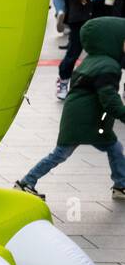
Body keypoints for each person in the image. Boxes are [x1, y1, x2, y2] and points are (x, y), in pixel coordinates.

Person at [16, 16, 125, 202]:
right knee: (60, 154)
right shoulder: (107, 66)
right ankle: (26, 182)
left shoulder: (94, 61)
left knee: (113, 147)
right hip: (82, 121)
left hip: (87, 119)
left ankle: (121, 185)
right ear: (111, 39)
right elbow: (109, 99)